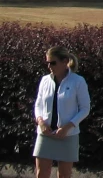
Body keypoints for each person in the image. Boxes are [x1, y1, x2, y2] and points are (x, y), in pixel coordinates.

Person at [33, 46, 90, 178]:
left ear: (64, 61)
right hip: (45, 134)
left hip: (68, 135)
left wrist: (67, 127)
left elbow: (85, 108)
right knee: (41, 173)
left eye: (53, 63)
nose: (49, 66)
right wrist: (40, 122)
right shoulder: (45, 80)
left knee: (64, 175)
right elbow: (38, 105)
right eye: (47, 63)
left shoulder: (78, 81)